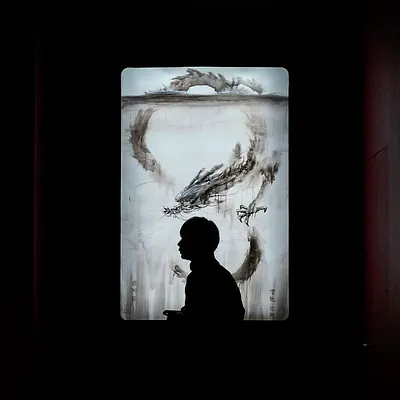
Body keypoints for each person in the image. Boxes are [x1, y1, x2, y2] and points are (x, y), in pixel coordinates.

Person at [163, 217, 245, 321]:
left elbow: (198, 316)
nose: (179, 243)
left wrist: (178, 317)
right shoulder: (221, 275)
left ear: (198, 243)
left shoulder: (199, 278)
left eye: (185, 239)